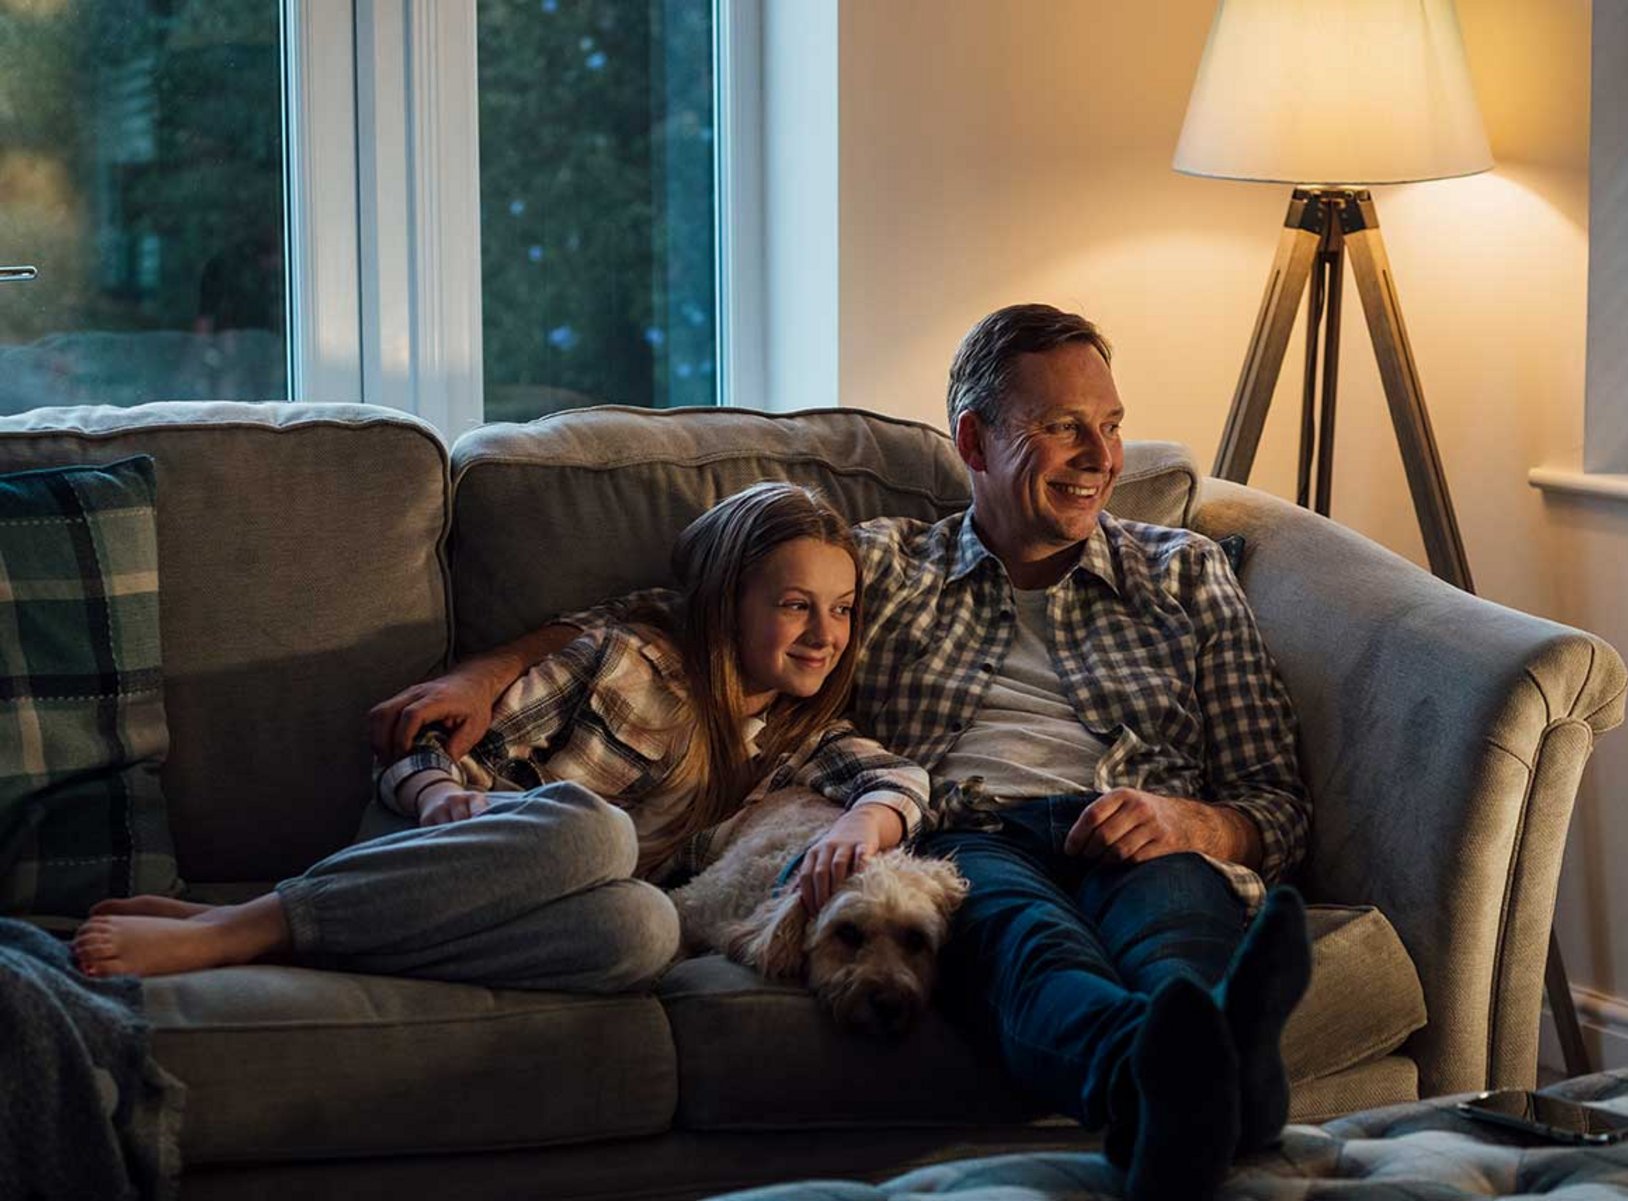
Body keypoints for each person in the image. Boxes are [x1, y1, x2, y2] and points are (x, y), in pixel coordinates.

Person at [357, 305, 1312, 1201]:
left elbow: (1274, 796)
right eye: (1065, 427)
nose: (1102, 457)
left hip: (1145, 826)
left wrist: (1198, 821)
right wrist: (487, 673)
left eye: (1111, 424)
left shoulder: (1184, 570)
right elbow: (698, 606)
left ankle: (1209, 1066)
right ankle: (1210, 1091)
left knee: (1178, 930)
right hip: (966, 836)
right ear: (974, 443)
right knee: (1029, 950)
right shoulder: (883, 566)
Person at [72, 483, 930, 991]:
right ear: (725, 603)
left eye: (843, 609)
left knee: (647, 929)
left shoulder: (795, 732)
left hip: (534, 912)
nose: (827, 632)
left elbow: (898, 779)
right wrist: (444, 792)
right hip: (434, 848)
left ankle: (292, 929)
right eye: (794, 605)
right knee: (596, 829)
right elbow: (417, 749)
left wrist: (864, 823)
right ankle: (244, 928)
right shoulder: (626, 661)